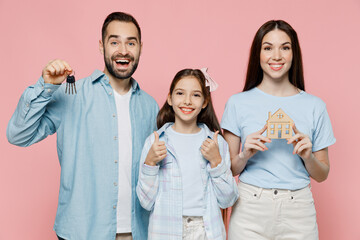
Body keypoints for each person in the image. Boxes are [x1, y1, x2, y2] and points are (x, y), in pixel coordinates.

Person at [6, 12, 158, 240]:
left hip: (137, 232)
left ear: (140, 48)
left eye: (131, 42)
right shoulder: (72, 94)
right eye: (114, 41)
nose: (123, 50)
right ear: (101, 46)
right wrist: (45, 86)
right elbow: (18, 135)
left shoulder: (150, 106)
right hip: (82, 232)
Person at [221, 20, 336, 240]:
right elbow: (229, 170)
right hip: (249, 207)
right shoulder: (237, 103)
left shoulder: (315, 106)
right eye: (268, 48)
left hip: (298, 210)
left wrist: (307, 156)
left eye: (285, 47)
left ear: (294, 53)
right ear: (258, 54)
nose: (277, 56)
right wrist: (245, 154)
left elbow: (322, 174)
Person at [136, 68, 239, 240]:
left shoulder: (216, 143)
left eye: (196, 95)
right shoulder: (155, 142)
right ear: (170, 98)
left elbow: (228, 200)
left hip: (206, 231)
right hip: (166, 230)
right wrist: (150, 163)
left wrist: (216, 163)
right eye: (180, 93)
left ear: (205, 102)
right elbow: (146, 202)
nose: (187, 101)